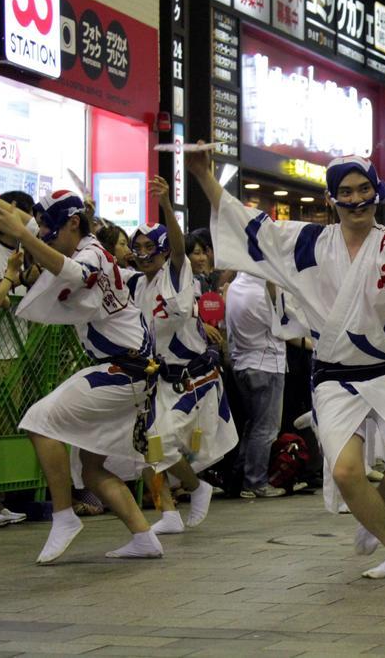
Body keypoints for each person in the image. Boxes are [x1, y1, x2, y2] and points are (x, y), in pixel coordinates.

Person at [188, 146, 385, 579]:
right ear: (332, 199)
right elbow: (246, 224)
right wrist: (204, 176)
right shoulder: (307, 242)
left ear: (377, 193)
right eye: (346, 191)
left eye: (364, 189)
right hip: (333, 377)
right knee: (347, 470)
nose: (356, 199)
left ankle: (373, 511)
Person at [0, 161, 163, 564]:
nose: (42, 234)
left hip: (122, 371)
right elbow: (24, 220)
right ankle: (144, 537)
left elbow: (69, 270)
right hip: (130, 372)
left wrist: (24, 235)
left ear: (73, 224)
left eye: (50, 229)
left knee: (39, 420)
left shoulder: (90, 255)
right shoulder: (77, 242)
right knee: (92, 470)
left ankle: (63, 516)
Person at [121, 176, 238, 533]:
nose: (142, 254)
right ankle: (168, 513)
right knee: (144, 448)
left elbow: (176, 247)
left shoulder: (177, 272)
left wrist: (168, 207)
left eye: (148, 247)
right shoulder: (133, 283)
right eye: (136, 247)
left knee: (165, 443)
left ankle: (196, 486)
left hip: (193, 378)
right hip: (156, 379)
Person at [225, 270, 288, 499]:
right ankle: (255, 482)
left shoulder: (235, 286)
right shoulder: (261, 291)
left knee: (253, 426)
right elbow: (283, 327)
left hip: (242, 363)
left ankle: (239, 478)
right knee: (266, 428)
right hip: (266, 363)